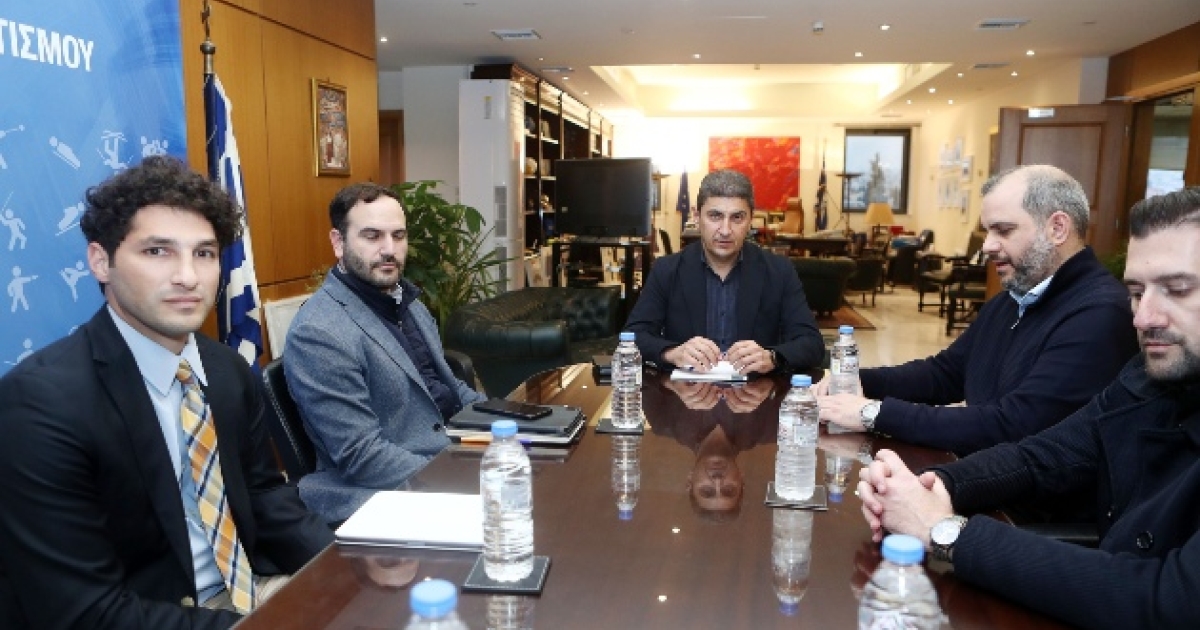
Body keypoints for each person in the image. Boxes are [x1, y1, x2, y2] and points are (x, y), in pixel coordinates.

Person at [0, 156, 333, 629]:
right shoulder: (39, 406)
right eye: (158, 251)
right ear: (101, 261)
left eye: (205, 253)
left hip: (248, 587)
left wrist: (345, 567)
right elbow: (83, 612)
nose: (188, 277)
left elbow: (263, 495)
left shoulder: (226, 369)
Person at [857, 187, 1200, 629]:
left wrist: (945, 531)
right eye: (1136, 292)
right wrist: (939, 484)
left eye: (1177, 290)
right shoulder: (1146, 375)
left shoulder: (1101, 316)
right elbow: (1047, 454)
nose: (1143, 317)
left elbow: (1168, 598)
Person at [817, 165, 1138, 454]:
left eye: (1004, 231)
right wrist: (853, 381)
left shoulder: (1099, 315)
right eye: (988, 231)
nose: (987, 246)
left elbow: (1013, 424)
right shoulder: (1012, 299)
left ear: (1057, 228)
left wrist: (872, 413)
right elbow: (944, 374)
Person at [285, 183, 486, 524]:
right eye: (372, 236)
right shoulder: (318, 332)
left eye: (398, 235)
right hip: (390, 492)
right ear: (338, 242)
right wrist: (458, 478)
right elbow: (363, 456)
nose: (389, 249)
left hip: (450, 455)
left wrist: (510, 430)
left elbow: (453, 391)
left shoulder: (408, 303)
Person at [625, 169, 824, 376]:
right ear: (697, 217)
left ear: (750, 220)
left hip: (757, 390)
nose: (726, 230)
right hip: (686, 389)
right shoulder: (666, 270)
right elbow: (632, 337)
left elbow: (812, 344)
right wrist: (672, 353)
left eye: (737, 217)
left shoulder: (779, 271)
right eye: (715, 216)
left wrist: (772, 357)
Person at [647, 374, 779, 521]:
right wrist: (775, 384)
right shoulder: (772, 427)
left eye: (707, 491)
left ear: (690, 481)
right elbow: (800, 375)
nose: (717, 480)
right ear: (741, 480)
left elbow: (638, 373)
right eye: (728, 490)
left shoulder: (663, 421)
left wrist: (667, 381)